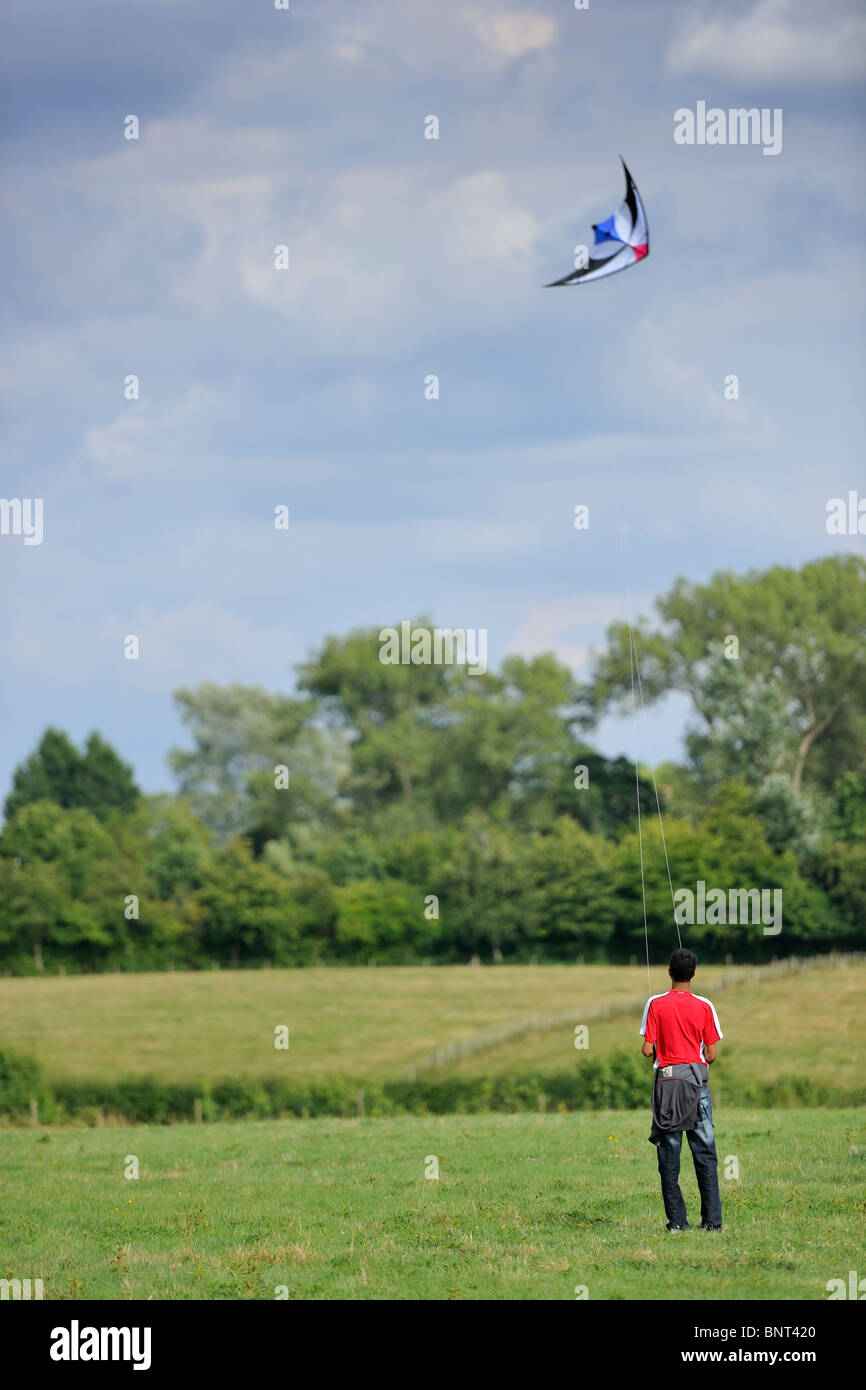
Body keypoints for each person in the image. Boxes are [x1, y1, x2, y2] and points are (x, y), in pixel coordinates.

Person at [639, 947, 723, 1232]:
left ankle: (677, 1223)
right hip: (697, 1086)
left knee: (669, 1157)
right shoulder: (704, 1006)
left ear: (669, 972)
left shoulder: (655, 1003)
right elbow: (711, 1054)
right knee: (705, 1154)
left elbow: (646, 1048)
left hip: (668, 1087)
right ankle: (713, 1224)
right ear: (694, 974)